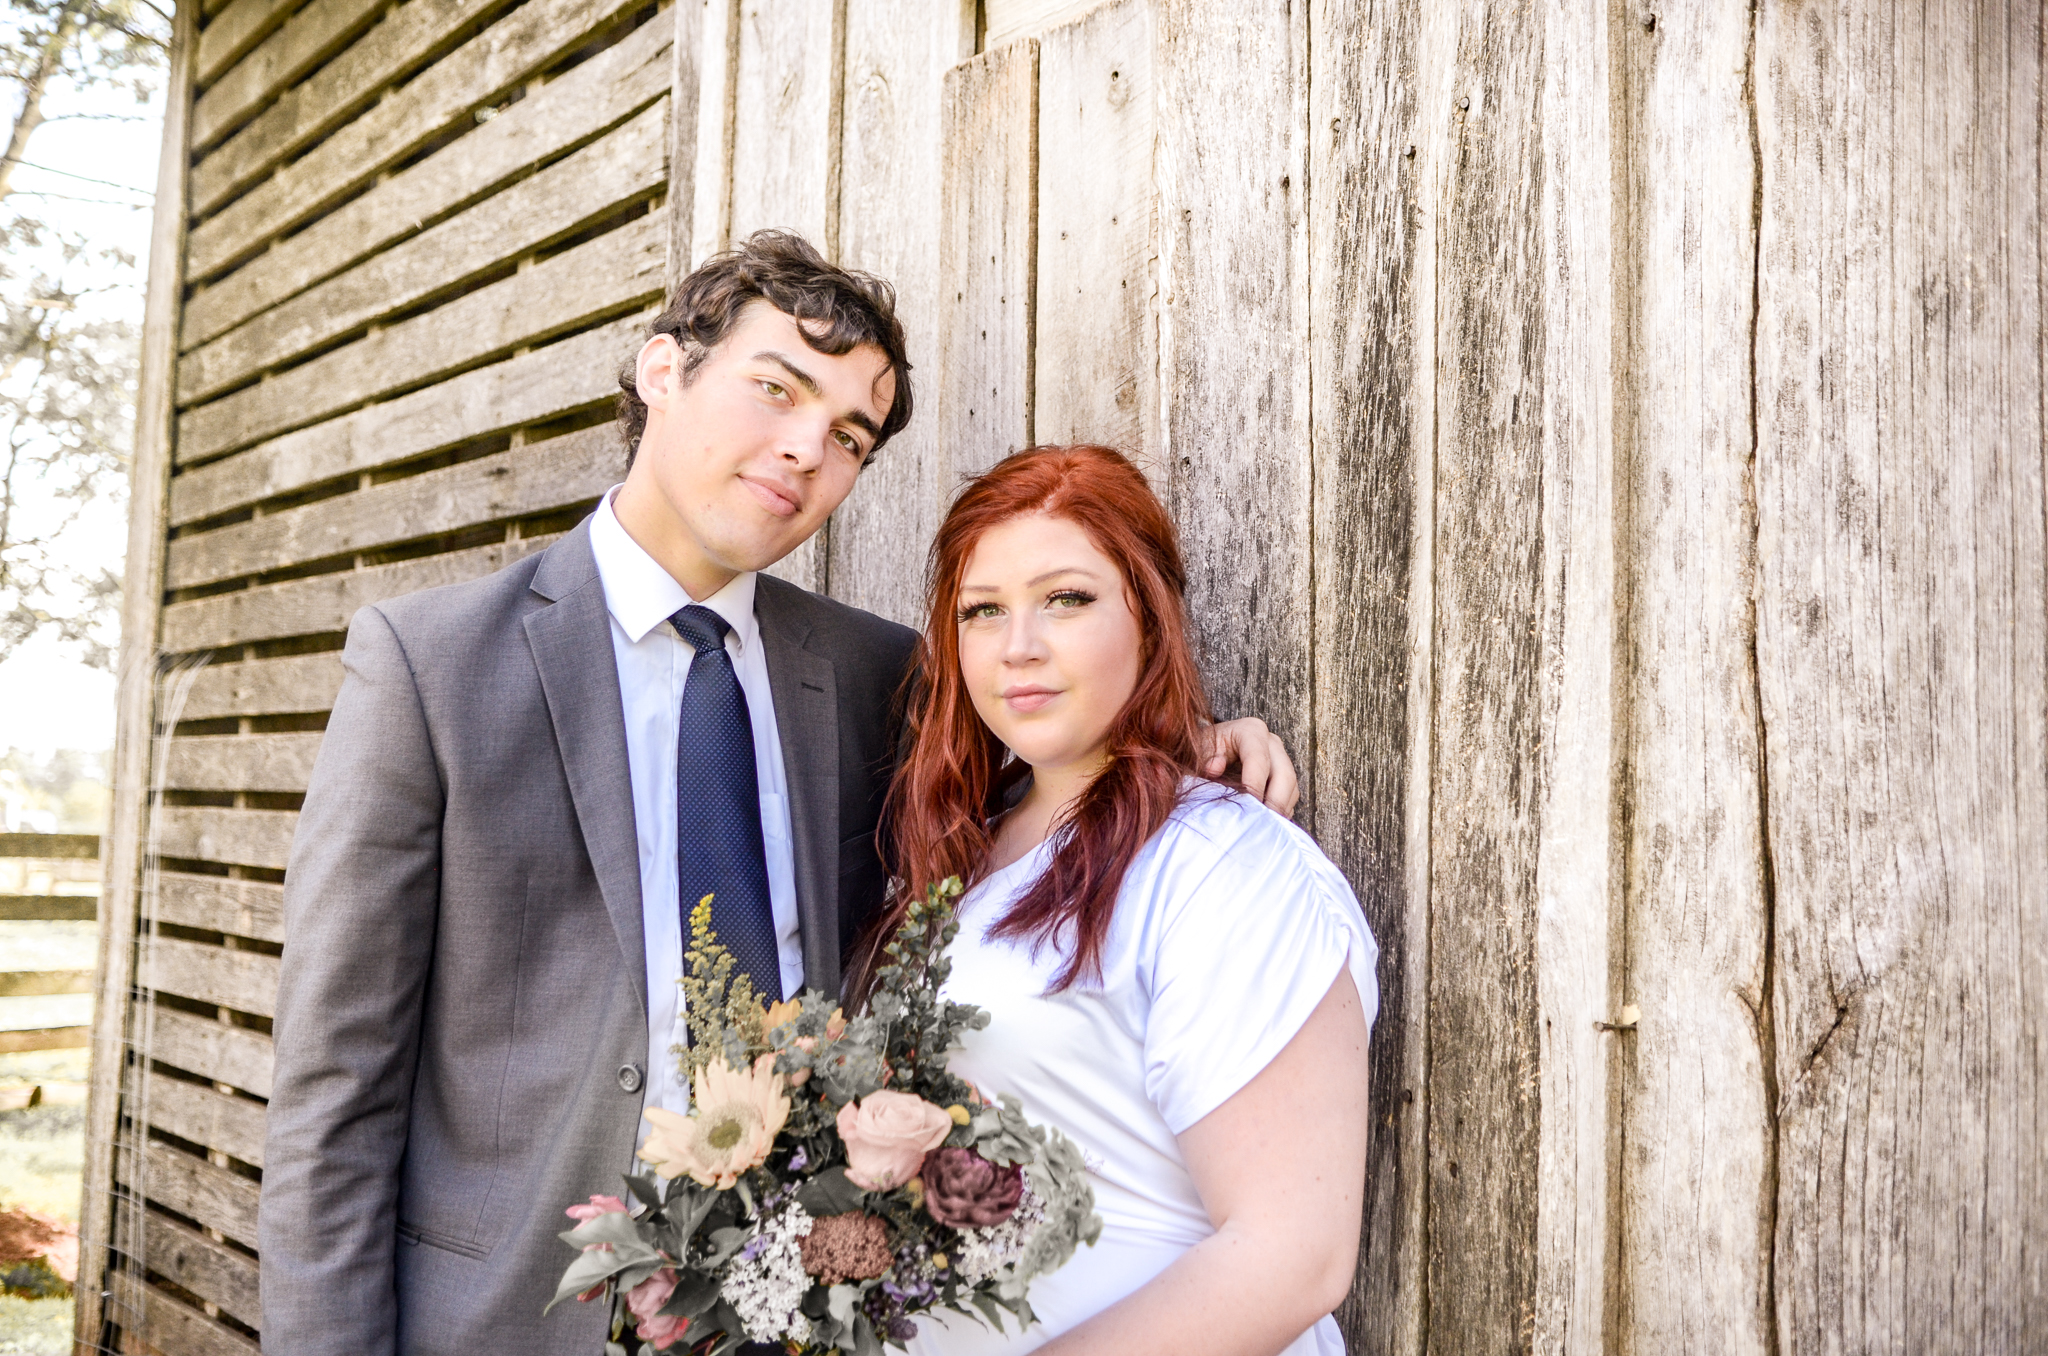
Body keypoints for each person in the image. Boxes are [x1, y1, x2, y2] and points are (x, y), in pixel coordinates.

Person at [258, 233, 1297, 1356]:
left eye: (848, 435)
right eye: (776, 389)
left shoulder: (873, 674)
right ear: (664, 371)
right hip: (509, 1318)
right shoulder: (432, 669)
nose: (806, 449)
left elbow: (1040, 761)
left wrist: (1181, 743)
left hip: (795, 1318)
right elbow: (335, 1093)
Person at [870, 445, 1377, 1356]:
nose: (1019, 645)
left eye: (1066, 598)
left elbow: (1293, 1254)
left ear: (1148, 614)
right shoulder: (957, 858)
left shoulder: (1219, 861)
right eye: (983, 610)